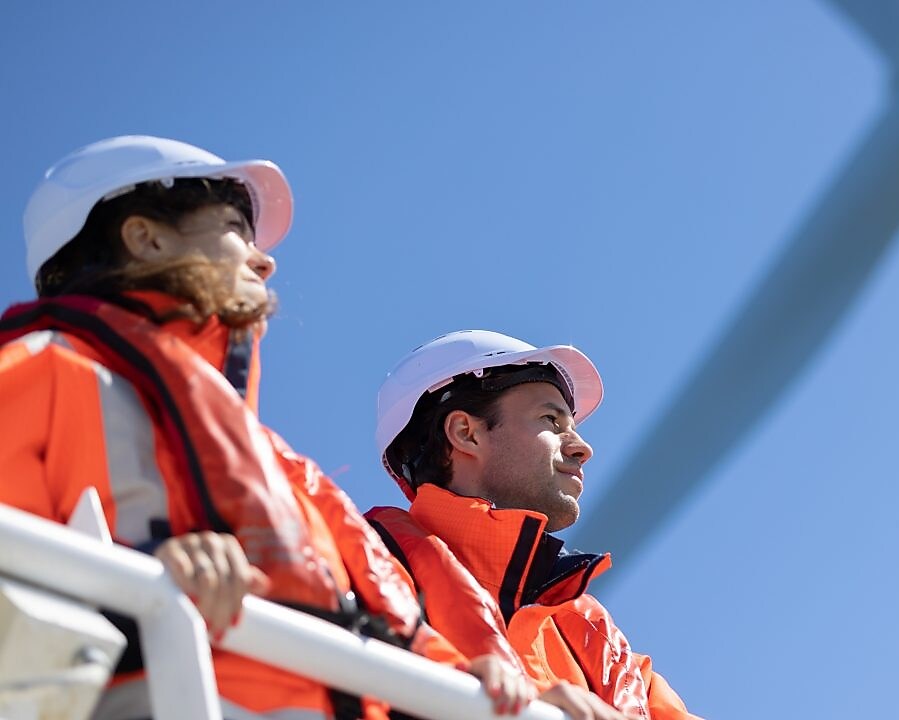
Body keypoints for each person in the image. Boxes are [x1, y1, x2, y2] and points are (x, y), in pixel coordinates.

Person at [0, 136, 533, 720]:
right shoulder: (39, 371)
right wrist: (145, 573)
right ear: (146, 237)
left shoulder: (284, 468)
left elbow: (386, 622)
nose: (266, 260)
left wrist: (470, 680)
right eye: (235, 227)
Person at [367, 330, 700, 720]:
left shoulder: (589, 630)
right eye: (551, 420)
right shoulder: (367, 561)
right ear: (465, 433)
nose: (582, 447)